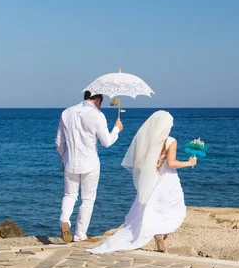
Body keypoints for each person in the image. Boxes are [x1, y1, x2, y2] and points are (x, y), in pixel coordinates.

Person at [87, 110, 196, 254]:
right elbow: (171, 163)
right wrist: (189, 163)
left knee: (149, 209)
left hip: (151, 179)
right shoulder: (170, 141)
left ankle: (158, 235)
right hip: (168, 181)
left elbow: (139, 162)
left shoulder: (147, 141)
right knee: (172, 209)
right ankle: (161, 235)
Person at [55, 91, 123, 243]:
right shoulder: (97, 115)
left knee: (69, 195)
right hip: (90, 163)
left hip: (70, 161)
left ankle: (64, 221)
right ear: (98, 99)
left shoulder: (66, 112)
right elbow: (106, 142)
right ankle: (80, 235)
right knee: (87, 200)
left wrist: (63, 158)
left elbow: (59, 142)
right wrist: (117, 128)